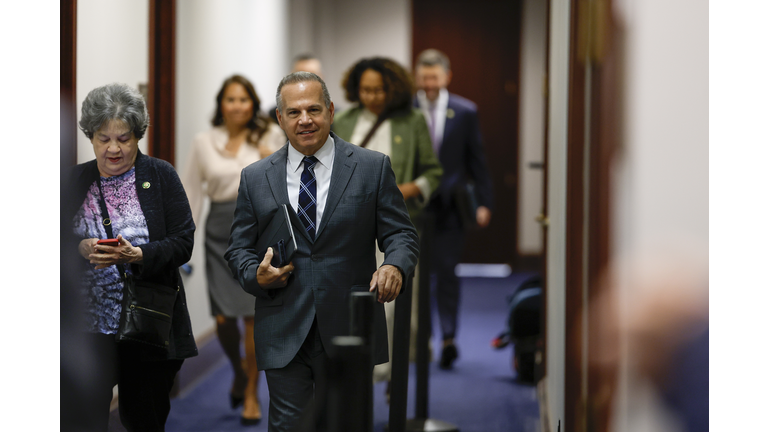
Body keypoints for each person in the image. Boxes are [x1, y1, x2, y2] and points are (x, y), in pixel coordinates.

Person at [225, 71, 420, 432]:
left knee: (347, 424)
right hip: (283, 321)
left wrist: (394, 265)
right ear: (280, 119)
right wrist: (256, 274)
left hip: (349, 322)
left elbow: (401, 235)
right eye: (294, 112)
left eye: (314, 109)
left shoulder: (371, 167)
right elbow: (238, 250)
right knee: (288, 426)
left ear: (330, 111)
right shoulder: (255, 177)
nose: (305, 120)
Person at [65, 83, 197, 431]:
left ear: (138, 135)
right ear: (89, 136)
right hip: (87, 331)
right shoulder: (72, 180)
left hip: (144, 327)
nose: (113, 148)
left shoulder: (160, 175)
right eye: (103, 138)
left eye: (123, 138)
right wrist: (80, 249)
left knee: (144, 420)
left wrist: (138, 254)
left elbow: (183, 241)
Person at [333, 56, 443, 390]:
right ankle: (361, 376)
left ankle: (394, 378)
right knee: (354, 299)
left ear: (392, 88)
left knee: (396, 308)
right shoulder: (345, 120)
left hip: (398, 225)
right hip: (351, 229)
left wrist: (407, 189)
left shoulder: (412, 120)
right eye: (365, 90)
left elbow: (433, 172)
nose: (372, 97)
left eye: (379, 90)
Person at [181, 74, 283, 424]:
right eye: (231, 99)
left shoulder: (270, 135)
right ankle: (238, 373)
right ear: (220, 104)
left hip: (259, 228)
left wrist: (276, 159)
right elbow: (192, 192)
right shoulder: (203, 141)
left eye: (244, 99)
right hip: (218, 231)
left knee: (253, 317)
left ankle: (252, 391)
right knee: (224, 318)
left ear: (253, 104)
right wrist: (182, 243)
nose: (238, 106)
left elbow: (287, 182)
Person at [413, 49, 494, 369]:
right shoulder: (406, 111)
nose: (429, 83)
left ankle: (448, 338)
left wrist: (485, 202)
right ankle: (422, 338)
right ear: (417, 78)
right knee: (416, 276)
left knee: (447, 273)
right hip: (415, 207)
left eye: (434, 77)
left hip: (451, 207)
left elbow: (478, 160)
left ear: (446, 77)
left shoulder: (465, 111)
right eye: (424, 77)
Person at [269, 54, 324, 124]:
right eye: (301, 76)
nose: (307, 81)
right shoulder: (274, 114)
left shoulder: (335, 116)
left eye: (313, 75)